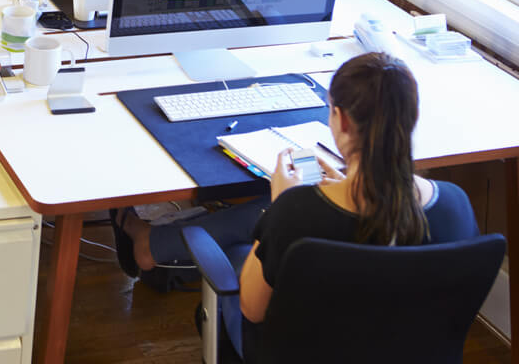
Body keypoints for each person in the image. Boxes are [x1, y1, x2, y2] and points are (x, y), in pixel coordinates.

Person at [116, 53, 478, 359]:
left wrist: (280, 207)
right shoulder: (456, 206)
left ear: (342, 119)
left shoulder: (297, 213)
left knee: (243, 251)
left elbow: (252, 310)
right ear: (411, 119)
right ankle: (152, 243)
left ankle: (150, 242)